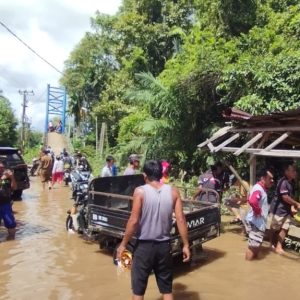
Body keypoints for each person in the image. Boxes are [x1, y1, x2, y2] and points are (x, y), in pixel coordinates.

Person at [117, 160, 190, 300]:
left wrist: (123, 245)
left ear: (145, 175)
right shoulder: (174, 192)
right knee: (167, 290)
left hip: (143, 248)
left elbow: (133, 221)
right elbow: (181, 219)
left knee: (138, 291)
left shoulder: (140, 192)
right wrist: (186, 245)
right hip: (164, 247)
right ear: (161, 174)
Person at [267, 163, 300, 254]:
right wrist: (296, 203)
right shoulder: (283, 182)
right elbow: (285, 197)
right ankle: (270, 244)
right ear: (286, 172)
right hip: (278, 210)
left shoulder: (291, 182)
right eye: (292, 171)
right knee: (274, 228)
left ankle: (279, 246)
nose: (295, 173)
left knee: (285, 228)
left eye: (295, 171)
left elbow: (290, 196)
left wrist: (293, 206)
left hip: (287, 210)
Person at [244, 168, 274, 260]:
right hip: (256, 223)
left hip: (258, 223)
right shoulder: (259, 188)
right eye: (270, 179)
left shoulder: (261, 189)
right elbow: (252, 201)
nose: (272, 181)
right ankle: (247, 267)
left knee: (256, 245)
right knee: (253, 247)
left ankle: (253, 263)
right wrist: (258, 211)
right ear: (263, 178)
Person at [0, 161, 17, 240]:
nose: (1, 169)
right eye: (0, 168)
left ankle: (12, 242)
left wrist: (12, 177)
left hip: (5, 203)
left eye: (2, 167)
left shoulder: (7, 176)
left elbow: (14, 187)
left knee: (10, 223)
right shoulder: (3, 177)